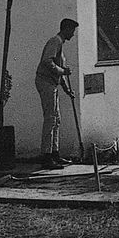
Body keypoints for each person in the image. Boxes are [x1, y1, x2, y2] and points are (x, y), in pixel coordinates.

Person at [35, 18, 79, 169]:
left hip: (52, 83)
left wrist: (68, 91)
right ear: (66, 29)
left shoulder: (60, 44)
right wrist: (63, 71)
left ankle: (55, 154)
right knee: (50, 119)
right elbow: (47, 62)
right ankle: (46, 157)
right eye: (72, 31)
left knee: (56, 119)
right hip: (45, 83)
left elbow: (60, 74)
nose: (73, 35)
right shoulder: (55, 41)